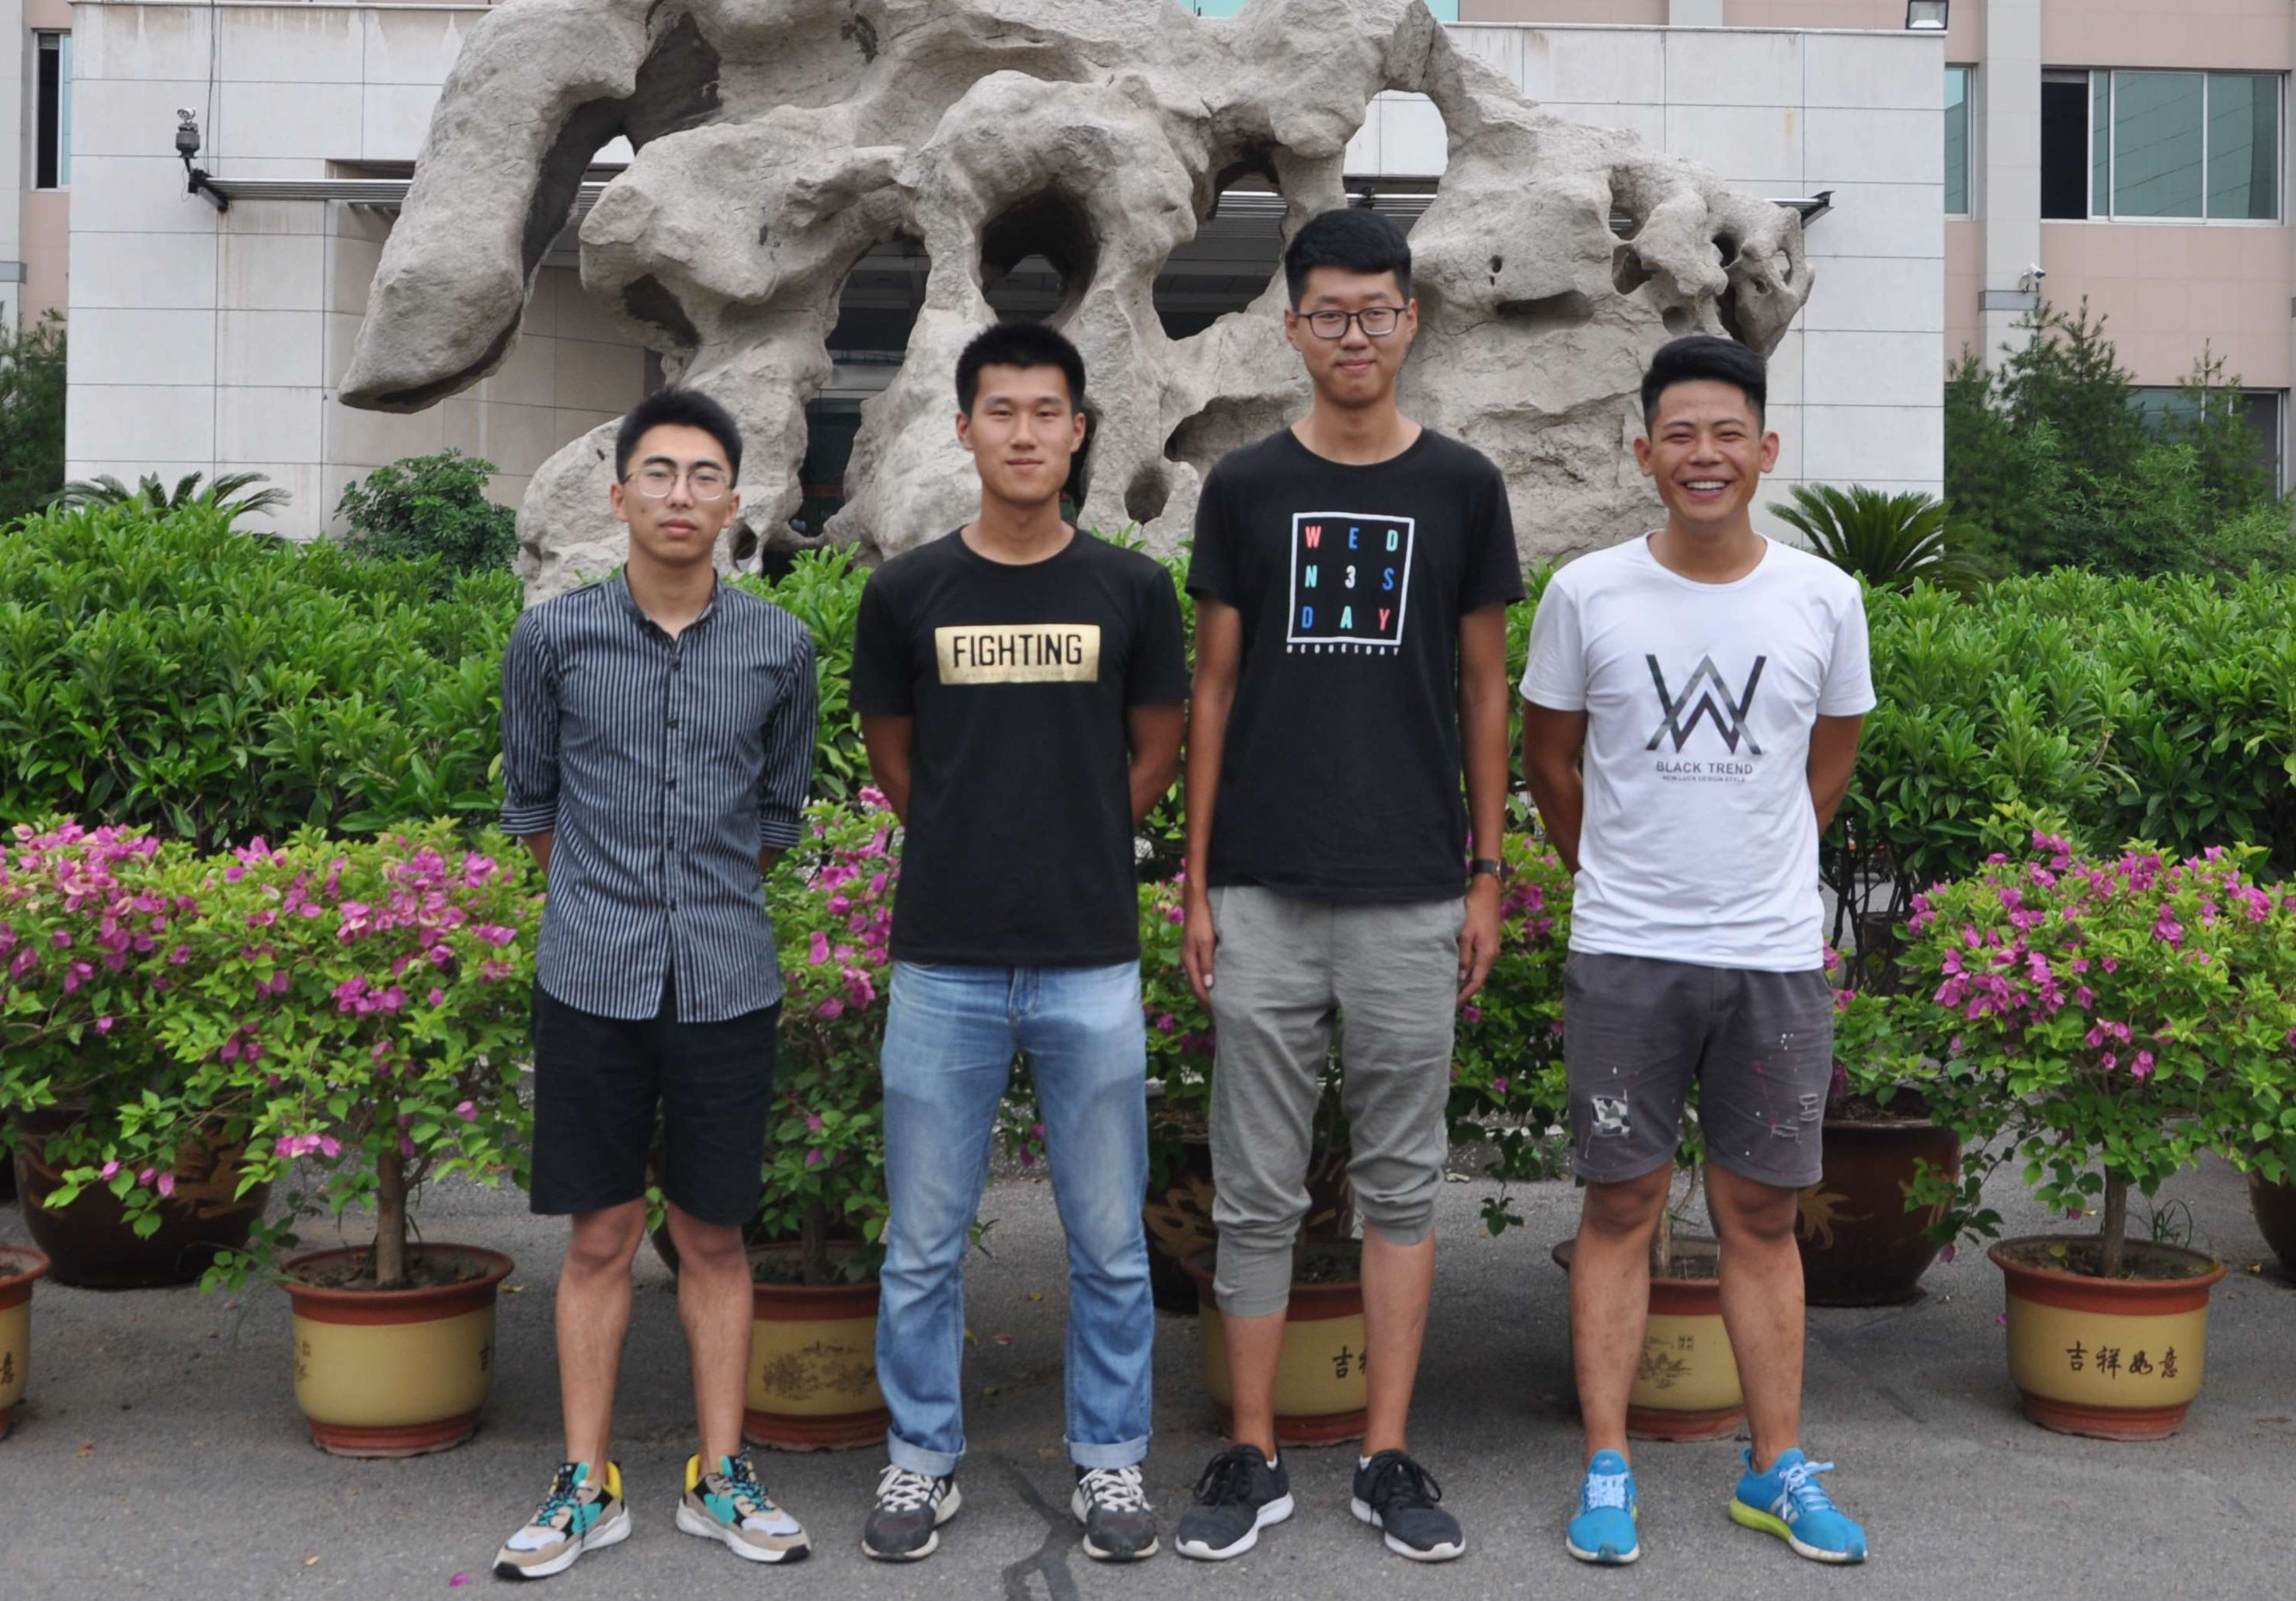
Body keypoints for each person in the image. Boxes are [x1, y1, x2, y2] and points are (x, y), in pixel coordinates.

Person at [1174, 206, 1521, 1565]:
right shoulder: (1245, 487)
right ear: (1293, 327)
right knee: (1254, 1186)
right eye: (1331, 313)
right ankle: (1252, 1450)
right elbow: (1212, 688)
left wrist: (1486, 872)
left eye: (1377, 311)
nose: (1355, 334)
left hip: (1413, 889)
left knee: (1402, 1185)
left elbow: (1485, 688)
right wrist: (1196, 880)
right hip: (1261, 889)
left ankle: (1385, 1452)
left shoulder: (1464, 486)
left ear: (1410, 320)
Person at [1519, 334, 1873, 1568]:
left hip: (1772, 953)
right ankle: (1606, 1463)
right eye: (1680, 434)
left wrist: (1761, 860)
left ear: (1765, 449)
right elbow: (1549, 759)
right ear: (1644, 452)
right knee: (1621, 1200)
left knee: (1761, 1210)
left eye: (1728, 433)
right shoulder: (1588, 594)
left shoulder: (1824, 597)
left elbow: (1831, 757)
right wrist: (1614, 872)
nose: (1704, 454)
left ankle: (1776, 1467)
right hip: (1627, 949)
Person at [849, 322, 1189, 1564]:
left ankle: (1110, 1457)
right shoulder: (907, 593)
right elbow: (896, 756)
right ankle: (920, 1456)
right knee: (922, 1242)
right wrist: (967, 835)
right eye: (1002, 410)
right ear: (965, 428)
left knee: (1110, 1240)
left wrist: (1082, 834)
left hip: (1088, 953)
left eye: (1049, 411)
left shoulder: (1129, 591)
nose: (1026, 432)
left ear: (1080, 430)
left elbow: (1157, 748)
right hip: (944, 956)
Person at [492, 387, 819, 1580]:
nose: (681, 495)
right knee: (599, 1233)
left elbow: (777, 811)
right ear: (619, 493)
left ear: (735, 504)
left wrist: (699, 899)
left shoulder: (779, 647)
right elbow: (533, 805)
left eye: (704, 476)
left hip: (727, 977)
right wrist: (611, 901)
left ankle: (719, 1473)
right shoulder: (552, 639)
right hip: (592, 976)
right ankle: (587, 1482)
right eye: (660, 473)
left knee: (714, 1232)